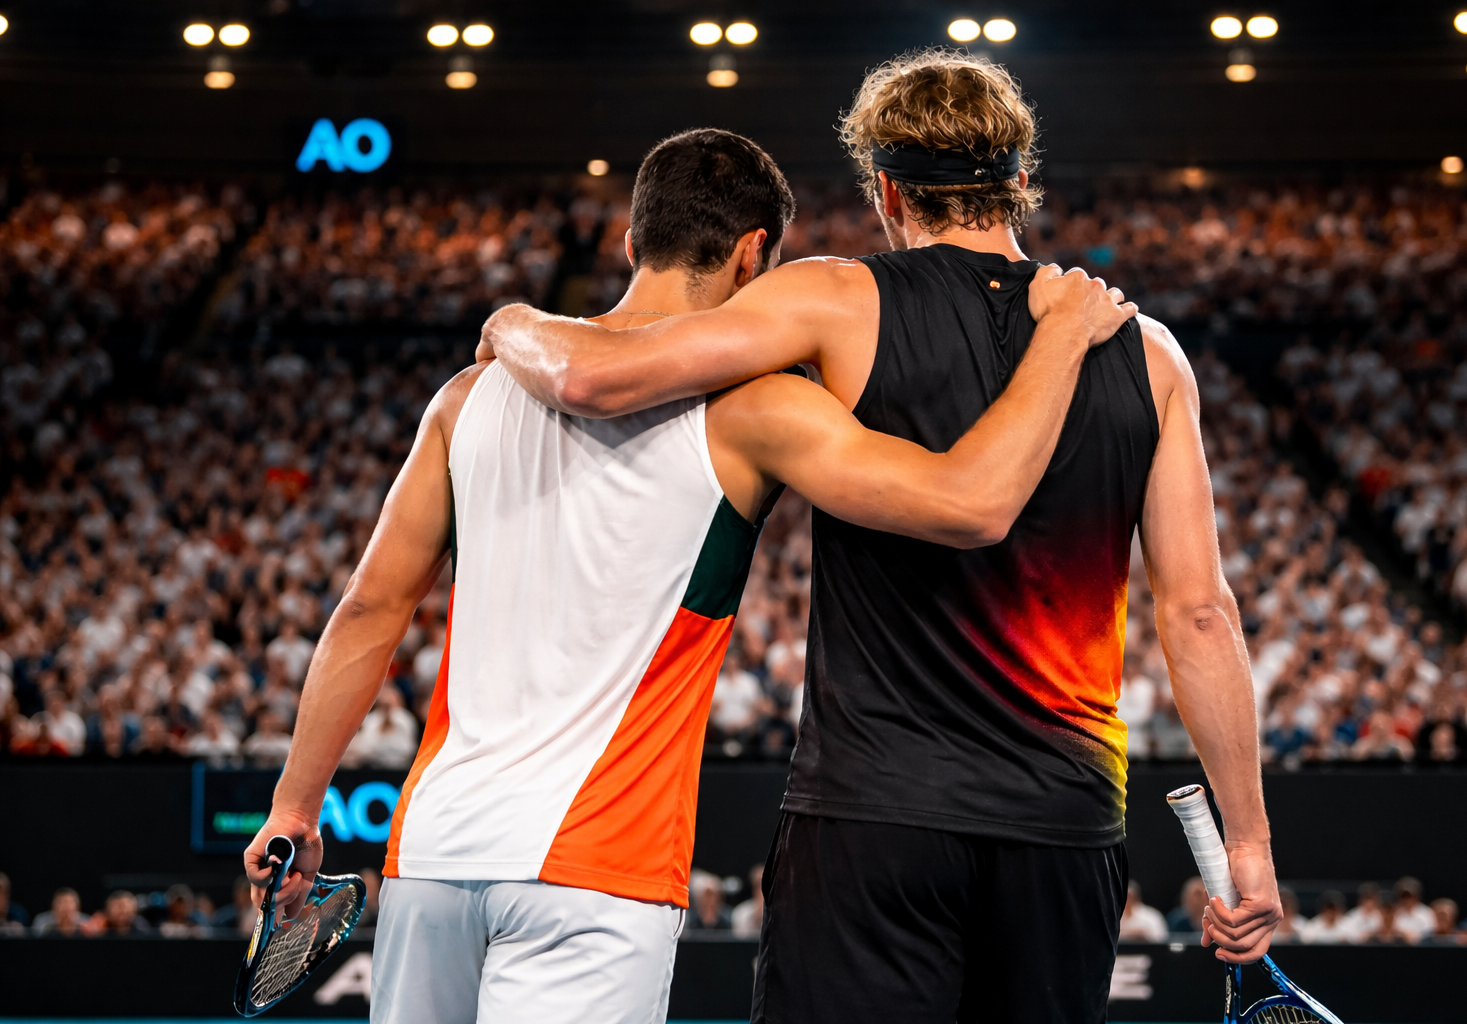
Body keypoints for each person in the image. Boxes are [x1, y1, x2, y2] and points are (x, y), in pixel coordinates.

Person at [246, 126, 1136, 1024]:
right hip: (601, 869)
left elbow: (368, 610)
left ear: (632, 243)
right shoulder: (761, 409)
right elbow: (966, 502)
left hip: (431, 854)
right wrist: (1057, 339)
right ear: (756, 256)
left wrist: (294, 806)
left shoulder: (466, 399)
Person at [481, 50, 1281, 1024]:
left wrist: (513, 319)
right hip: (1065, 825)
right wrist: (1249, 850)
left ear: (887, 191)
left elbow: (596, 376)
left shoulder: (834, 300)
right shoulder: (1149, 354)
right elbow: (1200, 615)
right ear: (1021, 183)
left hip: (872, 818)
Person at [1389, 876, 1436, 943]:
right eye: (1404, 896)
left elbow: (1431, 932)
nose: (1407, 899)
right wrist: (1404, 934)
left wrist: (1417, 935)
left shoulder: (1427, 912)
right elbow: (1391, 931)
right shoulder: (1395, 913)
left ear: (1417, 895)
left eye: (1410, 896)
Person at [732, 864, 766, 938]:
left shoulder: (783, 912)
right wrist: (757, 917)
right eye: (758, 885)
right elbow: (741, 943)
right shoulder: (740, 912)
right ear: (753, 888)